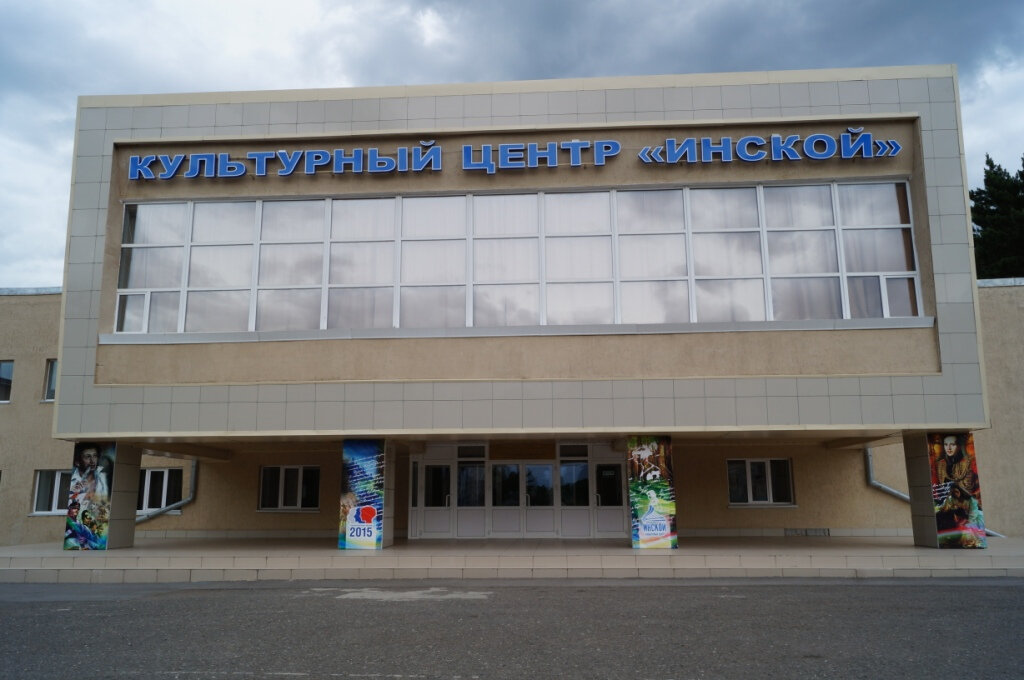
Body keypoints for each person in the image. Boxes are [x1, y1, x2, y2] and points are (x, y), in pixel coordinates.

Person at [69, 444, 110, 512]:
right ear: (77, 462)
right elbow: (69, 509)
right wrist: (75, 493)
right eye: (88, 457)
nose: (92, 461)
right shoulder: (71, 481)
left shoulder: (103, 478)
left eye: (95, 456)